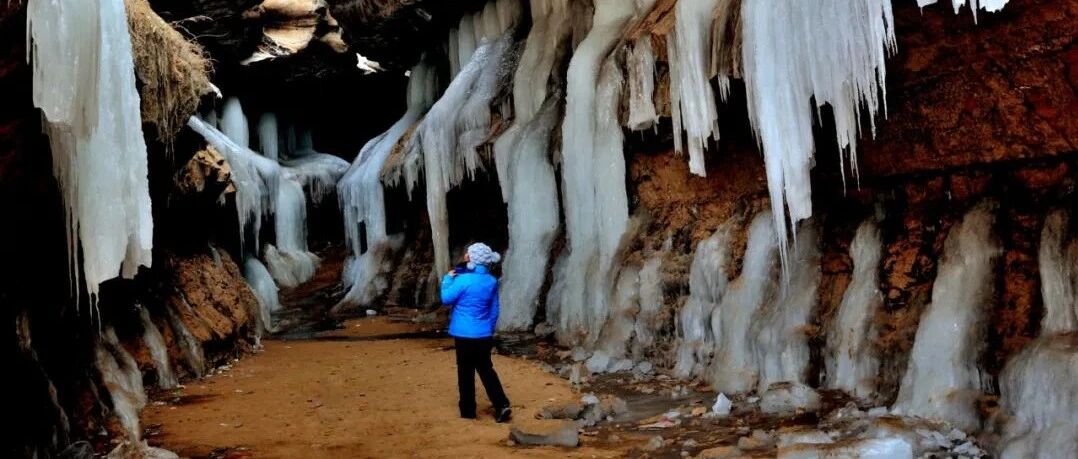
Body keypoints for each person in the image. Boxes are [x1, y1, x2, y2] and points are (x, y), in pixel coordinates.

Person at [441, 242, 512, 422]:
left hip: (463, 334)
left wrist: (447, 279)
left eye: (469, 253)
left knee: (465, 372)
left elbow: (446, 298)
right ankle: (501, 404)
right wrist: (488, 328)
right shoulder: (491, 281)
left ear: (472, 258)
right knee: (486, 370)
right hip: (483, 334)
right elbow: (494, 309)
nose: (466, 254)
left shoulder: (462, 280)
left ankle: (468, 410)